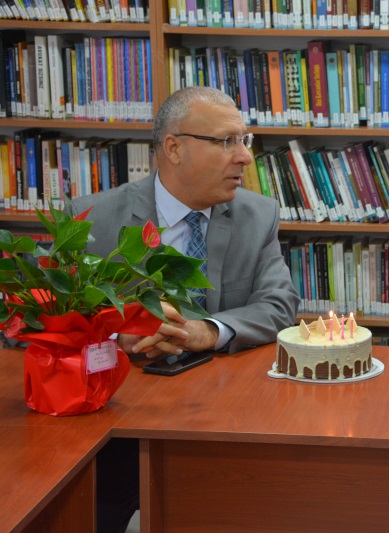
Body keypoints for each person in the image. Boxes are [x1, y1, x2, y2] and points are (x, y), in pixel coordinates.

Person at [73, 86, 300, 533]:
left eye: (244, 140)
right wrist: (117, 335)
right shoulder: (93, 218)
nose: (245, 157)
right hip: (121, 421)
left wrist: (208, 330)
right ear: (174, 148)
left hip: (229, 421)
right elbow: (49, 323)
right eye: (226, 142)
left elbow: (279, 305)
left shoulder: (258, 215)